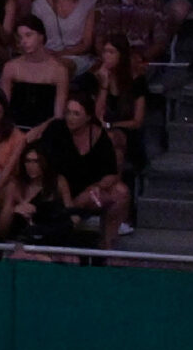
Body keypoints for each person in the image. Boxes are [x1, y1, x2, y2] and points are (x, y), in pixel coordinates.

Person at [34, 95, 129, 248]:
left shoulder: (99, 136)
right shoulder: (56, 130)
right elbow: (44, 166)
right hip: (57, 187)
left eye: (76, 114)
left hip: (87, 190)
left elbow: (111, 173)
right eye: (68, 112)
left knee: (121, 192)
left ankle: (107, 244)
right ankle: (65, 223)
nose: (70, 118)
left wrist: (96, 187)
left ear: (88, 117)